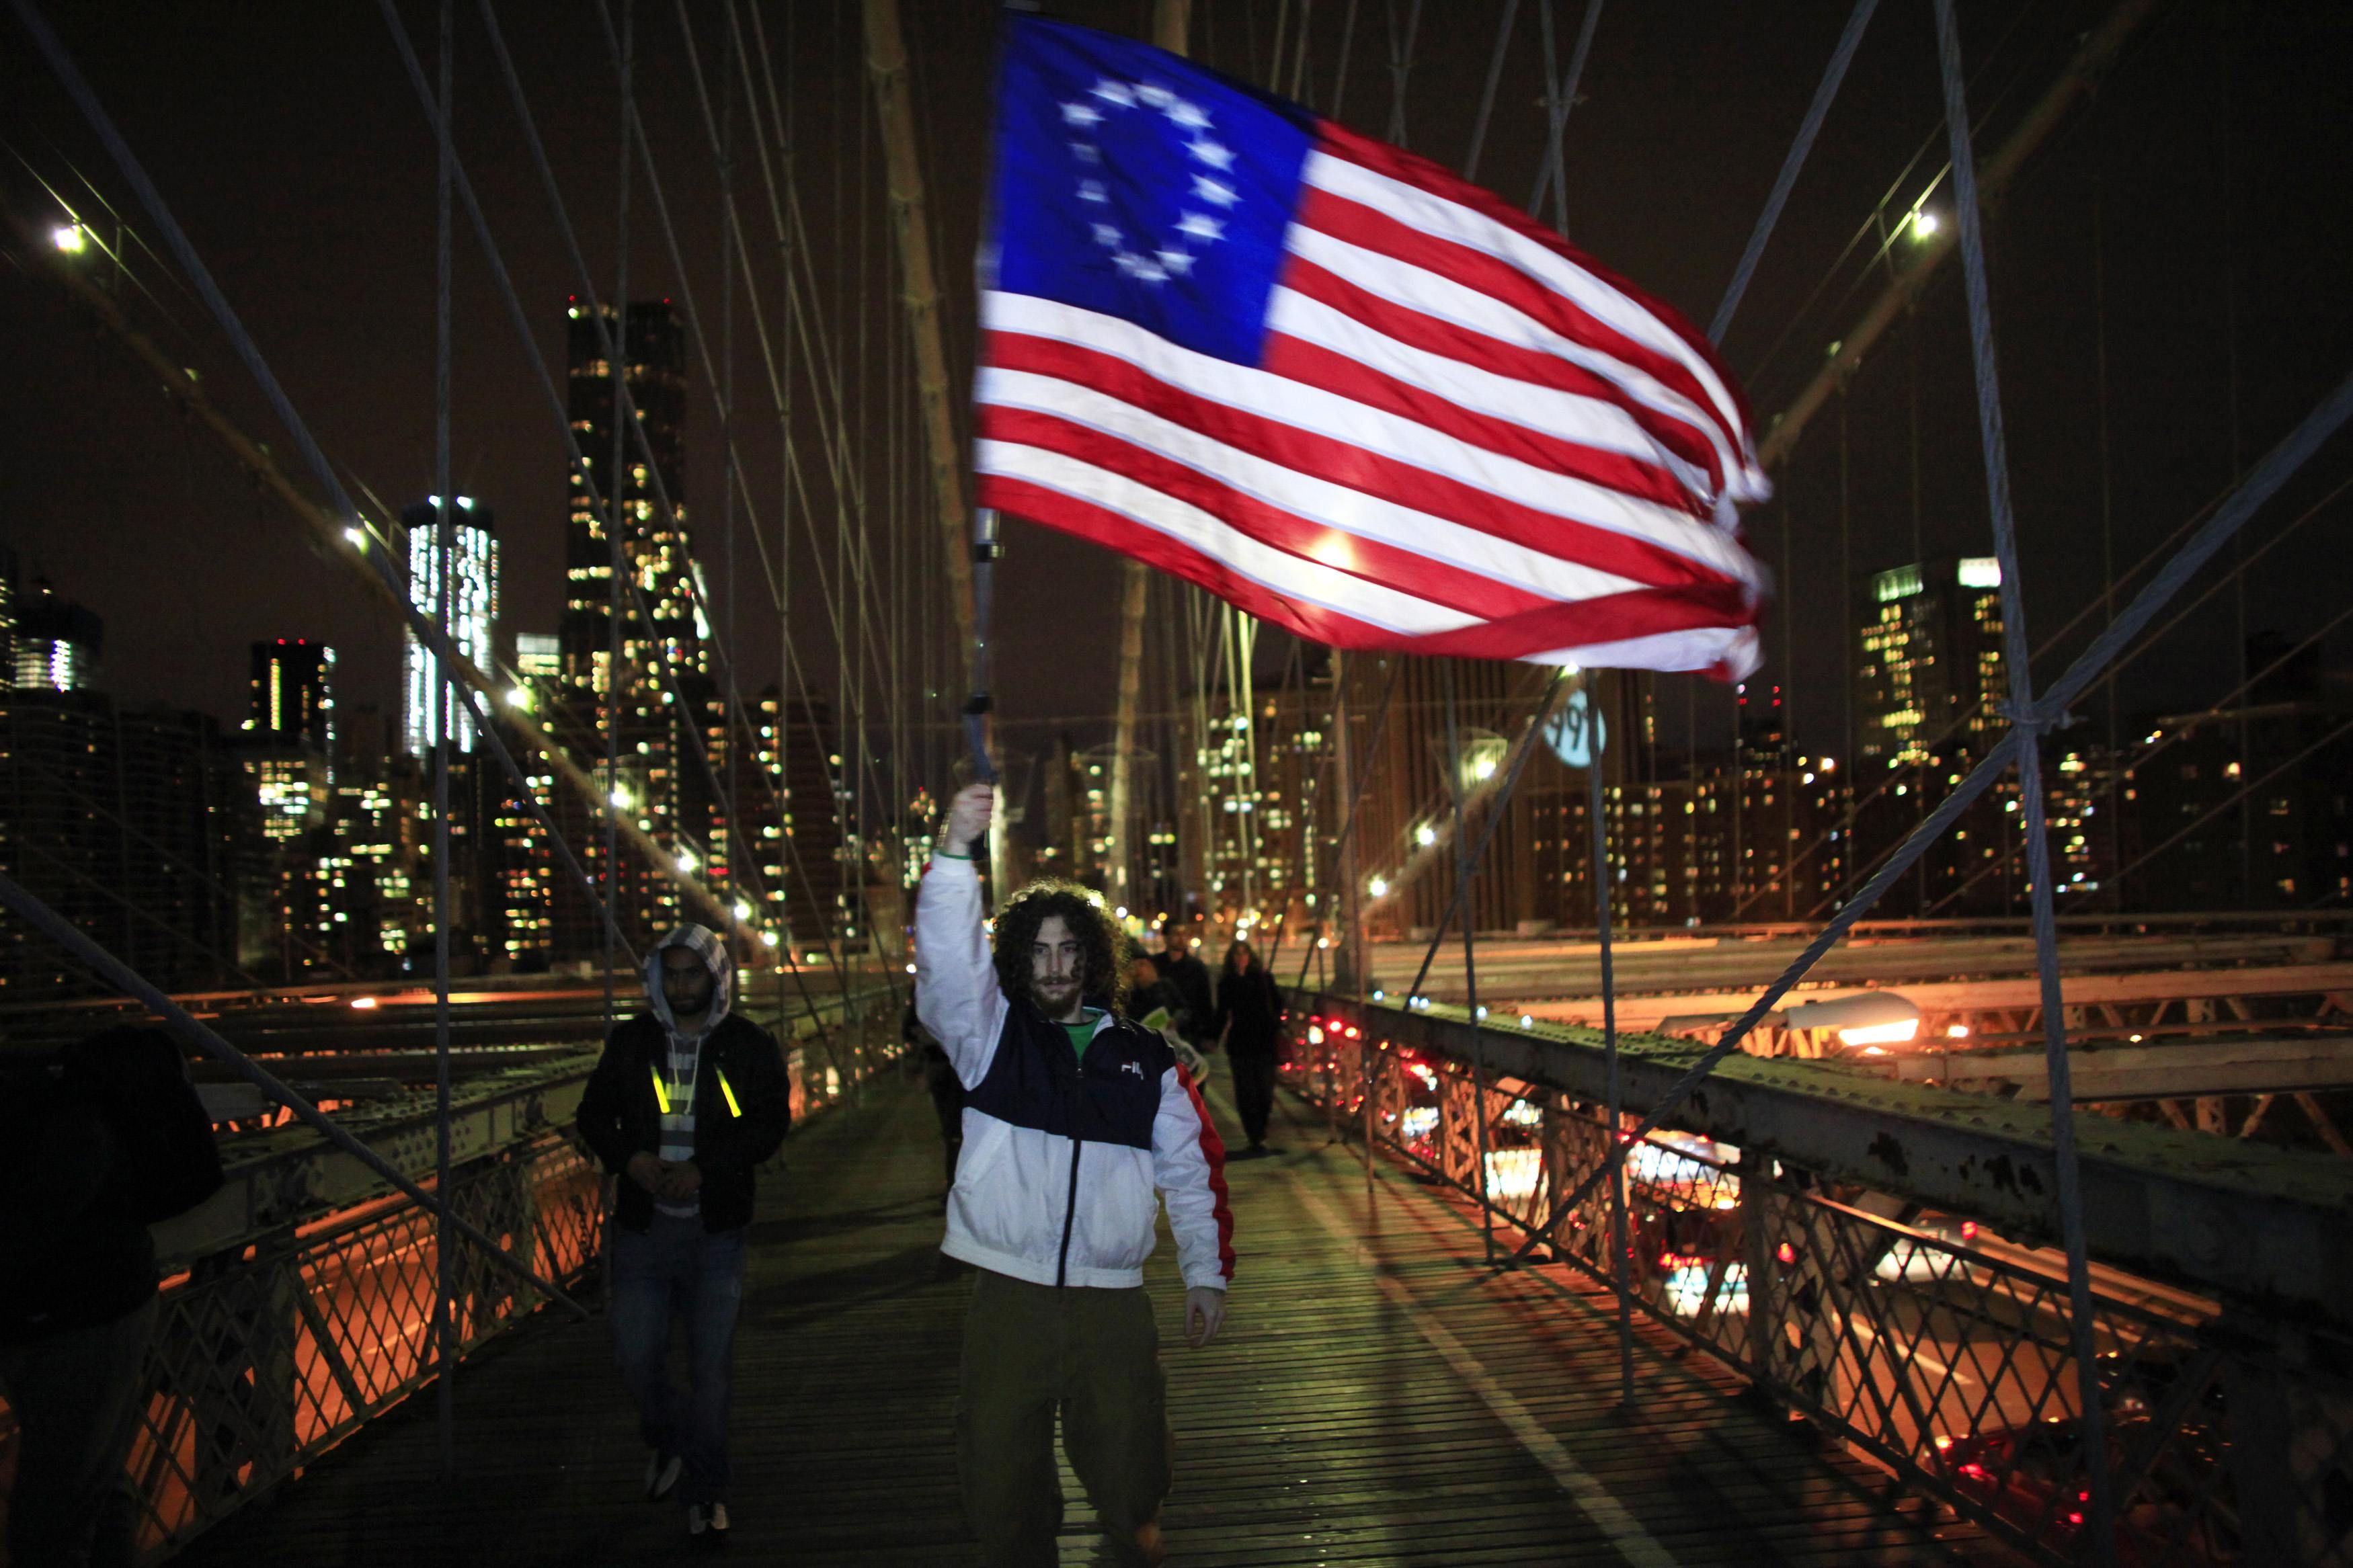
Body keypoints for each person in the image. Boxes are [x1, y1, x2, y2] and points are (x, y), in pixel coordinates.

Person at [917, 784, 1233, 1568]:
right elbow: (950, 967)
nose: (1055, 966)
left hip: (1113, 1299)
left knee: (1133, 1476)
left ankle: (1132, 1539)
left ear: (1092, 959)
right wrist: (955, 852)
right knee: (998, 1479)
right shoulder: (990, 1039)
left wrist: (1204, 1272)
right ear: (1020, 959)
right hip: (1008, 1295)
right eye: (1040, 950)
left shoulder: (1145, 1057)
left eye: (1069, 950)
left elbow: (1190, 1172)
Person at [577, 925, 789, 1552]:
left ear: (717, 977)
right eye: (670, 974)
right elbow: (593, 1114)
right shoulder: (630, 1042)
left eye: (693, 973)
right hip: (643, 1225)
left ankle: (707, 1491)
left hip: (715, 1225)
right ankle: (668, 1437)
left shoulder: (748, 1045)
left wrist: (707, 1168)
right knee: (635, 1353)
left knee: (711, 1368)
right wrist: (632, 1159)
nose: (681, 985)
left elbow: (769, 1123)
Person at [0, 1026, 223, 1568]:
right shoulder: (49, 1099)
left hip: (72, 1315)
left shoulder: (52, 1116)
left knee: (50, 1518)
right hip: (89, 1306)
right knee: (88, 1482)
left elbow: (37, 1220)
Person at [1212, 940, 1285, 1159]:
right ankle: (1255, 1137)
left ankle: (1260, 1131)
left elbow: (1279, 1004)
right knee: (1246, 1092)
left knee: (1265, 1090)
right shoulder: (1227, 982)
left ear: (1250, 956)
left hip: (1264, 1041)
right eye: (1236, 954)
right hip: (1241, 1042)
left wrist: (1274, 1024)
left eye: (1244, 953)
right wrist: (1212, 1037)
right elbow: (1223, 1012)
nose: (1240, 958)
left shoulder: (1263, 978)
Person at [906, 999, 965, 1206]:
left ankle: (953, 1184)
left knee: (952, 1131)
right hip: (961, 1065)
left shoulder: (925, 988)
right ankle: (956, 1185)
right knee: (958, 1130)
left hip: (941, 1064)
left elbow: (909, 1029)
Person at [1150, 925, 1214, 1050]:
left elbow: (1205, 1001)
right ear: (1166, 938)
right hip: (1160, 1029)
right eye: (1176, 934)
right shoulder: (1156, 964)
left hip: (1190, 1032)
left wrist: (1209, 1034)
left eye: (1184, 934)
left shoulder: (1197, 967)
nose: (1181, 938)